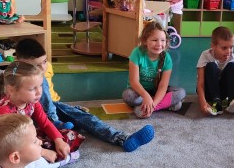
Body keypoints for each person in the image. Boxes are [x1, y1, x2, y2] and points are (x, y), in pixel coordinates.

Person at [15, 38, 154, 153]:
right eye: (36, 65)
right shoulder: (14, 79)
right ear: (20, 63)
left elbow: (49, 99)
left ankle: (122, 138)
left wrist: (66, 110)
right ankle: (57, 125)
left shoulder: (44, 70)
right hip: (31, 117)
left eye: (44, 62)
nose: (42, 68)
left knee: (84, 117)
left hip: (51, 108)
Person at [0, 61, 82, 168]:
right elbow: (4, 144)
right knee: (22, 164)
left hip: (27, 140)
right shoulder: (3, 111)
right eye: (32, 89)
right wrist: (42, 152)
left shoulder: (33, 103)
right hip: (7, 148)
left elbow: (45, 123)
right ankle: (61, 161)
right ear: (11, 89)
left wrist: (58, 140)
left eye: (40, 86)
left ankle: (43, 162)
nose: (39, 92)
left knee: (69, 135)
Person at [122, 21, 186, 118]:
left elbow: (163, 86)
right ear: (145, 41)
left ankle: (147, 108)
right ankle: (160, 103)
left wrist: (154, 105)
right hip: (138, 92)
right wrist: (146, 96)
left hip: (157, 91)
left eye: (163, 40)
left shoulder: (167, 58)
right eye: (154, 40)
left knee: (181, 92)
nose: (159, 44)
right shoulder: (136, 53)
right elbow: (134, 82)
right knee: (127, 95)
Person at [196, 26, 234, 116]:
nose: (228, 51)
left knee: (233, 66)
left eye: (231, 47)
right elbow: (200, 83)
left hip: (223, 92)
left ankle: (232, 101)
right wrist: (202, 102)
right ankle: (217, 102)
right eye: (224, 48)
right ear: (213, 46)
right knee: (211, 66)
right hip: (209, 92)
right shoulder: (205, 55)